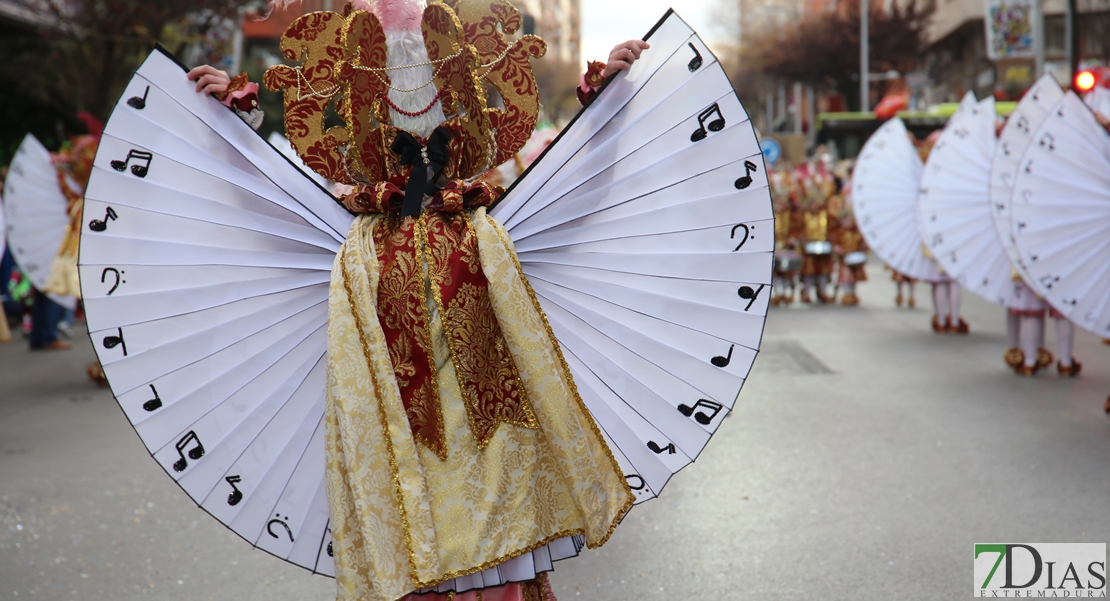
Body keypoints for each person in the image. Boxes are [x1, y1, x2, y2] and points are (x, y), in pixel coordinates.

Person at [189, 4, 649, 599]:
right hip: (403, 450)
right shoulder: (351, 241)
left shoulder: (494, 227)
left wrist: (604, 101)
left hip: (497, 445)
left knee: (502, 558)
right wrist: (236, 123)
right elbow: (274, 207)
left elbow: (575, 191)